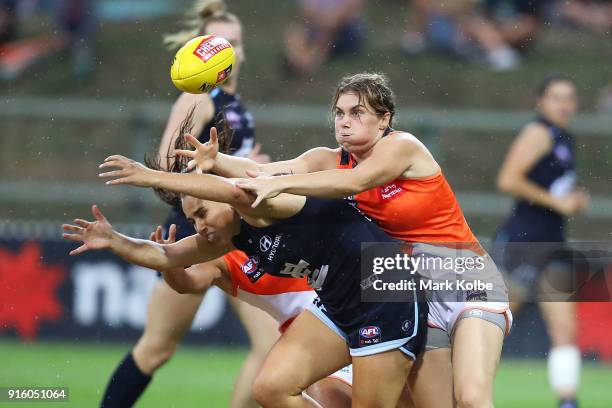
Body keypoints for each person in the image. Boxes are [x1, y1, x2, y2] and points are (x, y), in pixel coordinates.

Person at [178, 72, 512, 407]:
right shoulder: (327, 159)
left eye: (357, 113)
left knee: (471, 399)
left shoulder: (403, 147)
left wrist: (283, 185)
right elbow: (267, 173)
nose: (345, 122)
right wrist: (217, 161)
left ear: (384, 120)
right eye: (339, 113)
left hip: (467, 280)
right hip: (413, 292)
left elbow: (354, 181)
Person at [65, 138, 428, 407]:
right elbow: (167, 256)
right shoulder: (227, 240)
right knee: (270, 387)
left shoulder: (261, 201)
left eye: (202, 213)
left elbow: (231, 191)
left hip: (383, 285)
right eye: (192, 219)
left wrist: (152, 178)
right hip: (337, 305)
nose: (199, 226)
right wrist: (114, 240)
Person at [99, 1, 270, 407]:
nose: (230, 49)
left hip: (238, 236)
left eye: (235, 43)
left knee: (272, 348)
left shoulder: (234, 102)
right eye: (219, 42)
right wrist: (225, 182)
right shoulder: (197, 98)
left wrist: (251, 172)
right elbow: (165, 170)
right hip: (196, 233)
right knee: (156, 349)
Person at [494, 76, 589, 408]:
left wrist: (572, 199)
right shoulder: (538, 133)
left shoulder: (565, 137)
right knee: (494, 322)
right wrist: (557, 202)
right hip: (524, 241)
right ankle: (457, 389)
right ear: (541, 102)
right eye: (556, 97)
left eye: (569, 98)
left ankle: (567, 400)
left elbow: (553, 188)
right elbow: (508, 179)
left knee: (565, 328)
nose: (564, 104)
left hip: (552, 242)